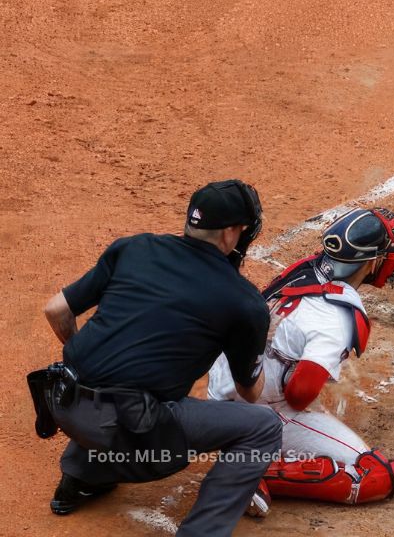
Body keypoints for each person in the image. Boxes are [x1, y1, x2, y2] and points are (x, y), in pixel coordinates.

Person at [206, 207, 394, 509]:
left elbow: (370, 267)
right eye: (389, 251)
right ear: (372, 261)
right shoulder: (336, 319)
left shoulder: (309, 267)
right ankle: (248, 473)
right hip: (257, 413)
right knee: (377, 475)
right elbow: (299, 396)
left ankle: (248, 451)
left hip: (225, 384)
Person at [33, 179, 280, 537]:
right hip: (136, 431)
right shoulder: (243, 301)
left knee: (116, 381)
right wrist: (261, 343)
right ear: (230, 233)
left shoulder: (134, 248)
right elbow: (250, 392)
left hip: (63, 402)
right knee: (263, 427)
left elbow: (56, 309)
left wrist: (85, 367)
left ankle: (81, 479)